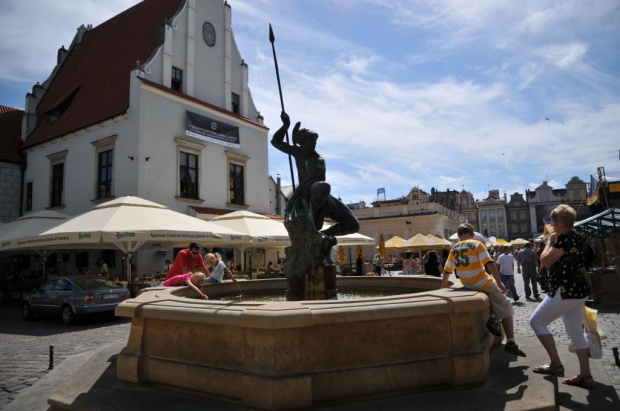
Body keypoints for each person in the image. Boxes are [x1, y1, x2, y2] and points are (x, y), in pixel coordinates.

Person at [530, 205, 594, 388]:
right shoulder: (579, 238)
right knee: (576, 331)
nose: (551, 224)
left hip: (564, 289)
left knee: (537, 322)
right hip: (579, 290)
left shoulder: (563, 238)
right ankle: (585, 375)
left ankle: (556, 364)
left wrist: (549, 241)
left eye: (552, 221)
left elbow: (545, 261)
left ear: (559, 222)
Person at [442, 223, 526, 357]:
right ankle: (511, 342)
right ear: (472, 234)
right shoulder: (477, 244)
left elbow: (447, 271)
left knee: (493, 301)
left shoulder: (454, 248)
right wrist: (500, 283)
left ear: (458, 236)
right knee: (506, 306)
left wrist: (443, 288)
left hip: (467, 284)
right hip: (482, 283)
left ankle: (492, 318)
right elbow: (489, 264)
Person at [271, 112, 359, 239]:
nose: (314, 143)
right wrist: (285, 126)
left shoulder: (318, 159)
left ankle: (320, 234)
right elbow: (275, 142)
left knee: (353, 225)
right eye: (311, 140)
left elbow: (312, 181)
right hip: (307, 193)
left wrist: (292, 202)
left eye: (315, 141)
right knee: (323, 187)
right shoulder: (298, 152)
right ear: (302, 142)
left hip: (318, 193)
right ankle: (310, 224)